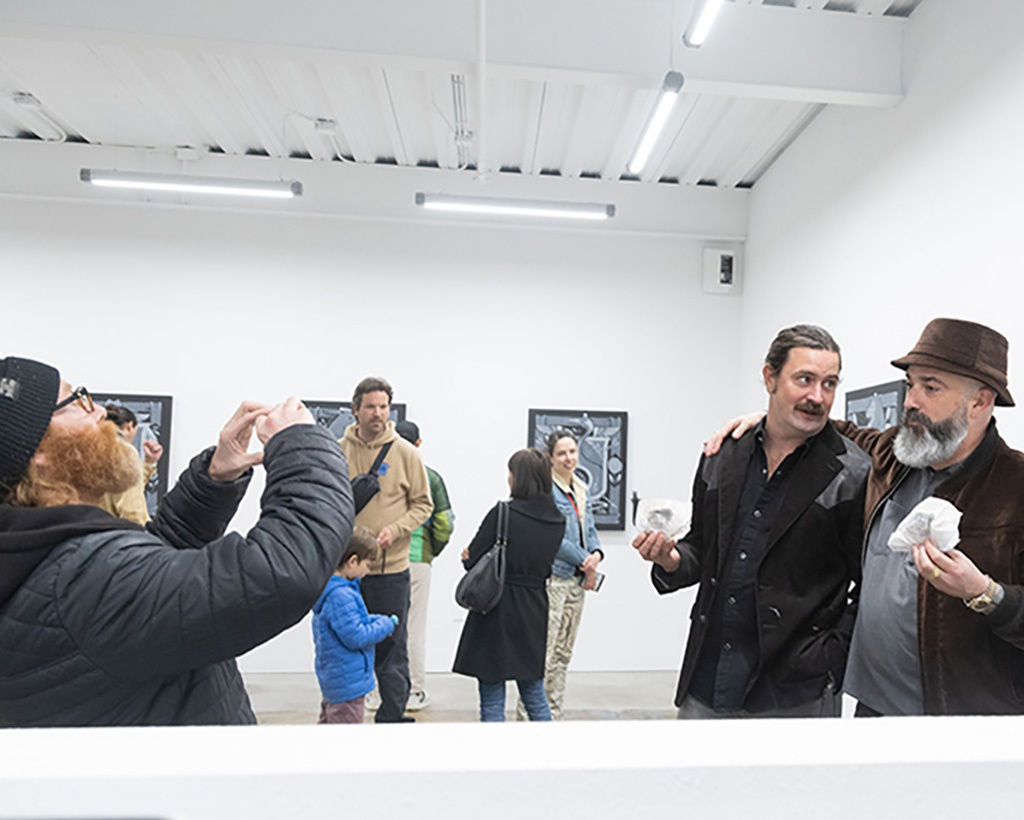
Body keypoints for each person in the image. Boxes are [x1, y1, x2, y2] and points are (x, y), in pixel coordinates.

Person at [0, 356, 353, 726]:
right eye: (77, 401)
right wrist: (302, 446)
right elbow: (281, 573)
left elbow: (153, 577)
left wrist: (214, 478)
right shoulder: (80, 583)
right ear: (38, 452)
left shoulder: (37, 556)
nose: (100, 411)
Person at [633, 325, 870, 718]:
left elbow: (868, 585)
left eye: (829, 383)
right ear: (769, 378)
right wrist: (671, 560)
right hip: (707, 681)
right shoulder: (721, 455)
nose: (818, 396)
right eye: (804, 380)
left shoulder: (853, 475)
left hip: (795, 696)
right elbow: (701, 547)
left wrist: (831, 656)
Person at [338, 377, 432, 723]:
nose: (377, 413)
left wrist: (396, 529)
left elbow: (424, 505)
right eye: (370, 407)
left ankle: (391, 718)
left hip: (390, 570)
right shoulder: (338, 451)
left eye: (383, 407)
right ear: (356, 410)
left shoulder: (406, 453)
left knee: (392, 648)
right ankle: (345, 716)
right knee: (344, 645)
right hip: (345, 571)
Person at [452, 448, 565, 721]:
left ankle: (495, 749)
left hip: (496, 606)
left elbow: (473, 560)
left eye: (511, 473)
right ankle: (551, 747)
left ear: (519, 478)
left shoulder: (503, 513)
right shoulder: (557, 520)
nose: (508, 478)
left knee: (492, 694)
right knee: (534, 692)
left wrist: (468, 555)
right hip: (534, 607)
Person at [517, 429, 603, 721]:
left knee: (563, 654)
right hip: (553, 580)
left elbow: (589, 529)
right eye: (562, 453)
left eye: (572, 451)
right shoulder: (545, 491)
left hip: (576, 582)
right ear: (551, 458)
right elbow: (551, 536)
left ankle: (554, 715)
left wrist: (596, 555)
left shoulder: (580, 487)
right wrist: (585, 561)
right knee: (543, 655)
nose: (569, 458)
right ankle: (529, 718)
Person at [395, 419, 454, 713]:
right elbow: (444, 523)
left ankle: (378, 692)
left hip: (382, 560)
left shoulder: (382, 473)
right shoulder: (430, 477)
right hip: (417, 558)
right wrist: (433, 549)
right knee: (414, 628)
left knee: (381, 624)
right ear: (418, 443)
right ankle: (414, 692)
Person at [312, 526, 397, 724]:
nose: (368, 571)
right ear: (352, 561)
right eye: (367, 565)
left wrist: (377, 620)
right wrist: (386, 624)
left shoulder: (335, 590)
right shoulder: (341, 595)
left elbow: (355, 621)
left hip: (337, 681)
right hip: (348, 684)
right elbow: (356, 636)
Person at [100, 403, 163, 525]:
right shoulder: (124, 450)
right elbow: (132, 510)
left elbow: (124, 484)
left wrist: (149, 463)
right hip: (116, 531)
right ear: (129, 426)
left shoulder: (92, 449)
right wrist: (144, 531)